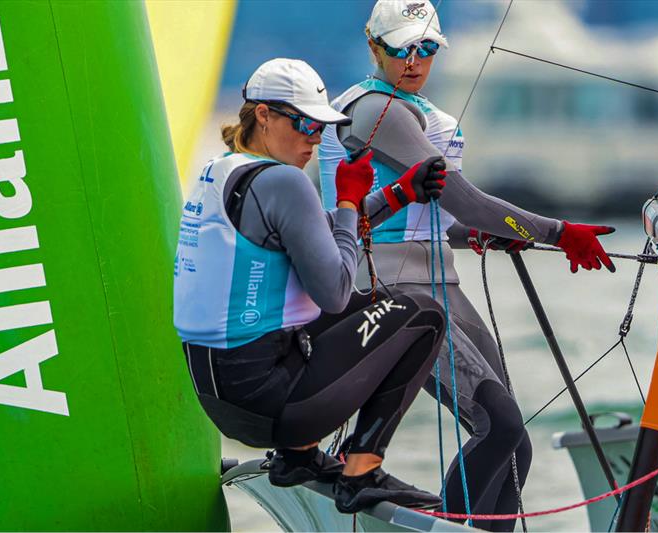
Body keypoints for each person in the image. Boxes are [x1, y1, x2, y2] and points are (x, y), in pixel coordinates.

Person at [318, 2, 617, 529]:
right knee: (497, 425)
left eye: (427, 48)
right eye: (401, 48)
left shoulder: (411, 107)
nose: (415, 60)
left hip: (438, 279)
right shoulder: (373, 112)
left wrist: (477, 235)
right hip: (393, 292)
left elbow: (441, 219)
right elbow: (466, 200)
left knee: (514, 444)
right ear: (373, 47)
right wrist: (556, 232)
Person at [173, 58, 453, 514]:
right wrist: (347, 198)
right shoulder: (285, 180)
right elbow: (336, 289)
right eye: (304, 123)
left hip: (222, 399)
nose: (314, 138)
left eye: (321, 127)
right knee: (422, 312)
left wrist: (400, 192)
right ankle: (362, 472)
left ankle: (298, 459)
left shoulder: (222, 171)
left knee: (378, 303)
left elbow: (316, 236)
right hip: (271, 403)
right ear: (263, 114)